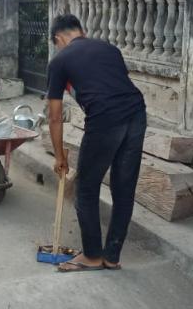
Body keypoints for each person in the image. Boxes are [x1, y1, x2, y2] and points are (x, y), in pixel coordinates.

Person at [46, 14, 147, 272]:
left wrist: (59, 156)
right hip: (136, 114)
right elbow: (114, 85)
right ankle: (111, 256)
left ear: (59, 38)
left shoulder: (60, 60)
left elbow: (55, 115)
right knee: (123, 189)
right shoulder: (109, 49)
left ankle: (91, 256)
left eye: (56, 43)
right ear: (81, 30)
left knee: (86, 189)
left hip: (105, 120)